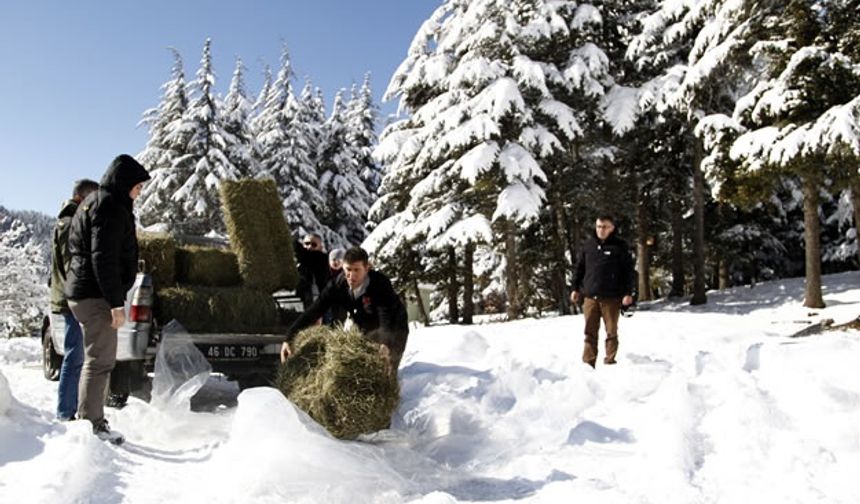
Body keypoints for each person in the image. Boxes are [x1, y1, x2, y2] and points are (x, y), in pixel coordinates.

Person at [65, 154, 150, 444]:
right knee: (99, 361)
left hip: (86, 291)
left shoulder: (97, 202)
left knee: (97, 359)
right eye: (138, 187)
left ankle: (91, 421)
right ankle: (91, 426)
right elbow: (104, 258)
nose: (139, 193)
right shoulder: (109, 206)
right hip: (96, 295)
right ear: (125, 183)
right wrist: (115, 303)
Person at [280, 246, 409, 371]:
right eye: (348, 269)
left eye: (356, 270)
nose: (351, 276)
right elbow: (314, 310)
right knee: (365, 367)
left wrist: (385, 344)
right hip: (366, 324)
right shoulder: (337, 285)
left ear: (367, 268)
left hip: (395, 325)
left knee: (387, 367)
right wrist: (289, 337)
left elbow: (385, 316)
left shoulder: (380, 283)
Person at [50, 179, 99, 421]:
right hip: (71, 300)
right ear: (82, 198)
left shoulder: (69, 222)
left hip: (69, 298)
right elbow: (73, 266)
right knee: (75, 356)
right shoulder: (70, 225)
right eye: (93, 200)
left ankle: (69, 410)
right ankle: (65, 413)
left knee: (77, 355)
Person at [570, 215, 635, 368]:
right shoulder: (588, 245)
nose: (601, 230)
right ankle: (588, 363)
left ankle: (610, 360)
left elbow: (628, 272)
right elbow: (580, 269)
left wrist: (628, 293)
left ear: (612, 228)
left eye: (605, 227)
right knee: (589, 332)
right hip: (590, 297)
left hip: (611, 298)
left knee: (611, 331)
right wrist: (575, 288)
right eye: (599, 226)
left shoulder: (620, 247)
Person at [294, 233, 330, 310]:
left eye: (314, 245)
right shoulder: (302, 260)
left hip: (319, 299)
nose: (309, 246)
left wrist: (292, 241)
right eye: (307, 243)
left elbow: (304, 255)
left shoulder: (321, 258)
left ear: (320, 247)